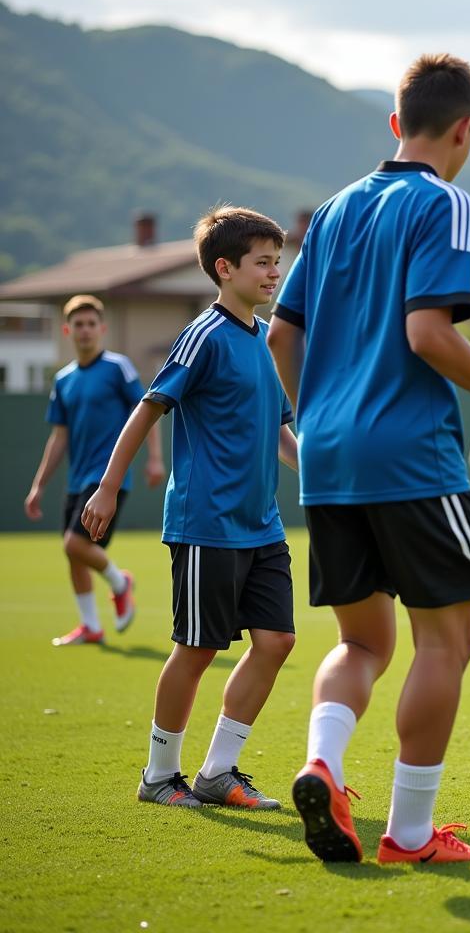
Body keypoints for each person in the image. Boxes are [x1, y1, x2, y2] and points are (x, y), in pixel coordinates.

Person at [268, 53, 470, 864]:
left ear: (396, 123)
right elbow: (427, 334)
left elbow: (280, 332)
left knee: (362, 643)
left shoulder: (329, 212)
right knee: (448, 639)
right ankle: (407, 834)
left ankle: (323, 764)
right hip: (407, 458)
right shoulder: (447, 201)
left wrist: (314, 416)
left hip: (329, 459)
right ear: (465, 128)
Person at [81, 206, 299, 810]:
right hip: (208, 524)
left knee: (277, 641)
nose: (273, 271)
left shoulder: (262, 339)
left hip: (262, 525)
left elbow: (282, 432)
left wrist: (321, 475)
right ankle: (158, 775)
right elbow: (149, 408)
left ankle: (219, 772)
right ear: (224, 268)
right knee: (197, 650)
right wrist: (106, 486)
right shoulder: (204, 335)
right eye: (262, 261)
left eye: (276, 261)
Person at [25, 295, 164, 646]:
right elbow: (59, 438)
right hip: (77, 479)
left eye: (91, 324)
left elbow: (147, 410)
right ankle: (90, 626)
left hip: (107, 479)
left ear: (102, 329)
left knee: (75, 544)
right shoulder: (63, 379)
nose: (85, 331)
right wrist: (38, 486)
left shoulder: (118, 367)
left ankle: (121, 583)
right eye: (79, 324)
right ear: (67, 330)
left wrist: (154, 457)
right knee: (72, 551)